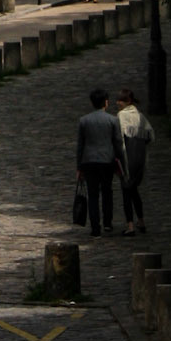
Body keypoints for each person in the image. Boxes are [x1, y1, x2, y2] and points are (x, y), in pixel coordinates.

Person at [76, 86, 127, 237]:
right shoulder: (112, 120)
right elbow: (118, 143)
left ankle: (95, 227)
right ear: (106, 102)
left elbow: (80, 145)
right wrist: (122, 163)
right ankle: (107, 223)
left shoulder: (84, 121)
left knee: (92, 195)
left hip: (89, 161)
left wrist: (79, 167)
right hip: (107, 160)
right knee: (107, 191)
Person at [116, 87, 154, 235]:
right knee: (134, 191)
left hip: (127, 158)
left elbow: (118, 137)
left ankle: (130, 225)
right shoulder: (140, 116)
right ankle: (141, 221)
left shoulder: (121, 116)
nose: (118, 102)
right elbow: (150, 135)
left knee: (126, 190)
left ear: (128, 101)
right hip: (140, 158)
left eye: (121, 100)